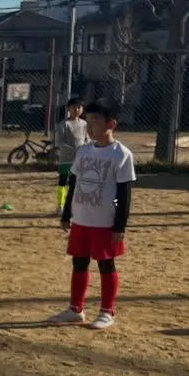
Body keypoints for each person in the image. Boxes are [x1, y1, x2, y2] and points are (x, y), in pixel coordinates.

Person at [48, 98, 135, 331]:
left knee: (106, 265)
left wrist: (119, 226)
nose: (90, 126)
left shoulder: (121, 154)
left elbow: (124, 194)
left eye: (95, 121)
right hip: (82, 220)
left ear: (111, 124)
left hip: (104, 223)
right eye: (88, 121)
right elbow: (74, 184)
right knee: (79, 263)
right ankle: (75, 309)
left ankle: (107, 311)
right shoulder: (84, 151)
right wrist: (67, 214)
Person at [53, 95, 87, 215]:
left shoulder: (84, 124)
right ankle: (60, 205)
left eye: (79, 107)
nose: (76, 110)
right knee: (62, 182)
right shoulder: (63, 124)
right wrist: (74, 150)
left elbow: (86, 139)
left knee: (74, 183)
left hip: (79, 160)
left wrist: (85, 149)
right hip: (66, 159)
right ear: (68, 108)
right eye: (74, 107)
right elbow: (59, 142)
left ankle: (71, 206)